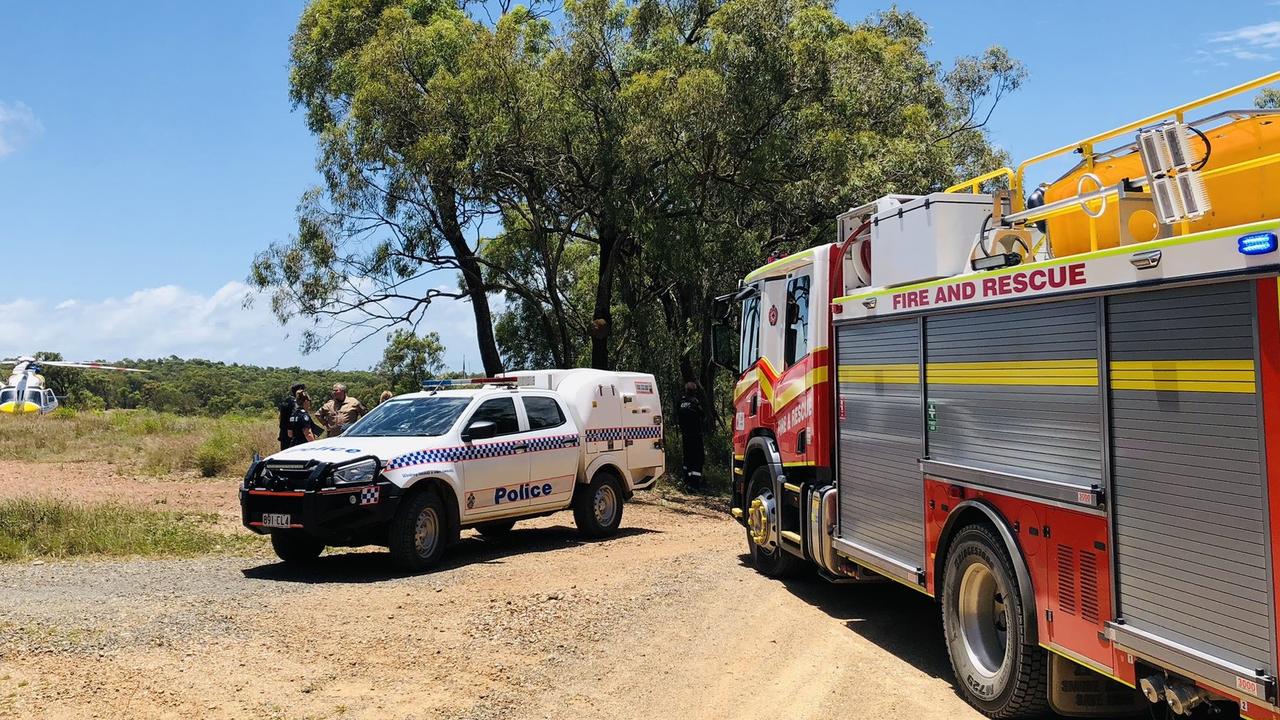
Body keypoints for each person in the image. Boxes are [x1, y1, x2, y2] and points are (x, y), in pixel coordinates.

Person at [677, 381, 705, 491]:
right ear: (694, 392)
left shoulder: (681, 402)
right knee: (698, 459)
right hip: (695, 436)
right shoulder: (695, 404)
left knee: (687, 459)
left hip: (685, 436)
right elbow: (702, 416)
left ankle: (686, 480)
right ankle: (695, 484)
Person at [277, 382, 306, 451]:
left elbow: (280, 417)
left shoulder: (285, 401)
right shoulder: (296, 403)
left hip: (283, 434)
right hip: (293, 435)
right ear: (300, 391)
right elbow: (294, 418)